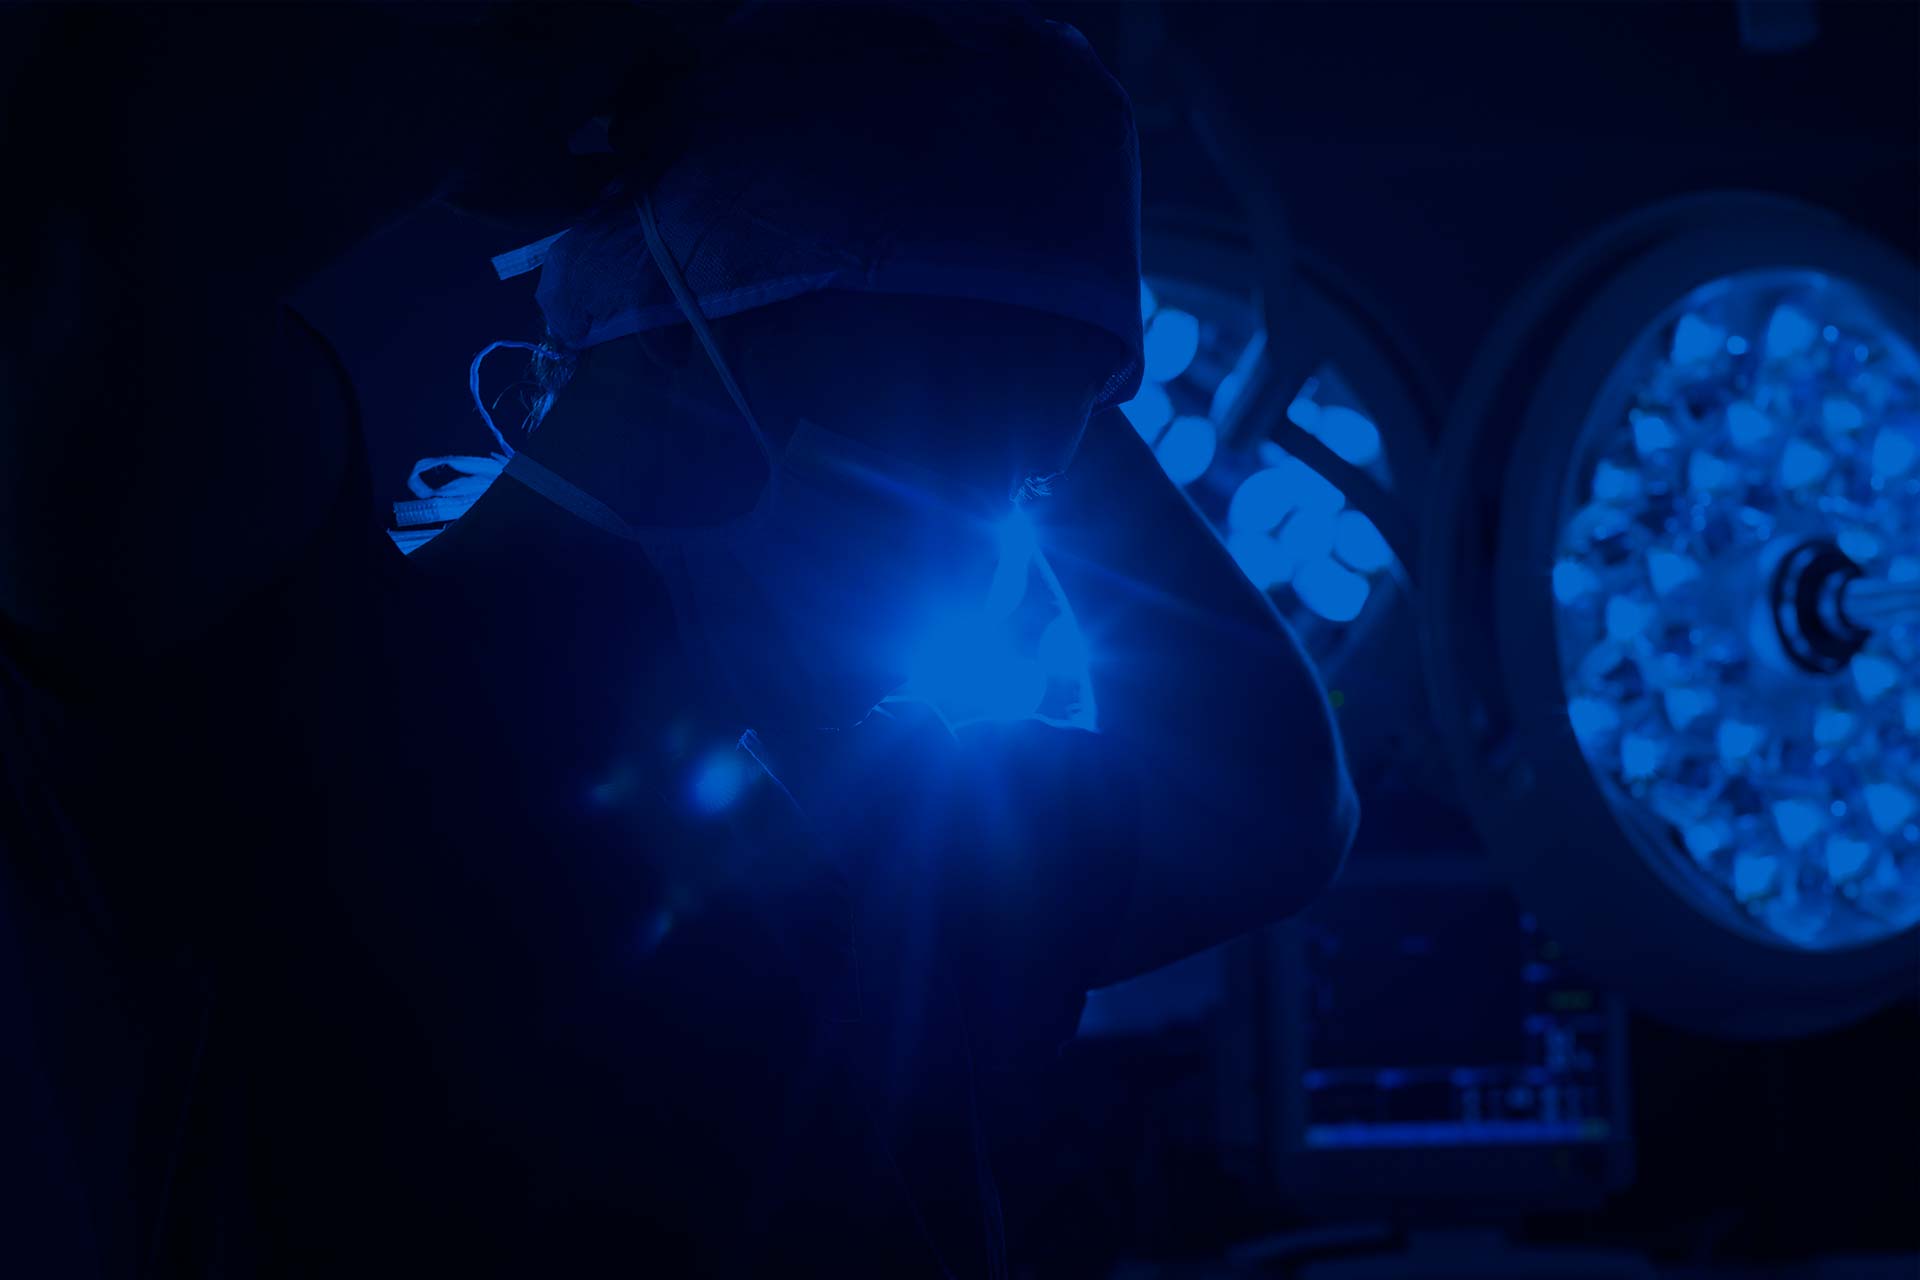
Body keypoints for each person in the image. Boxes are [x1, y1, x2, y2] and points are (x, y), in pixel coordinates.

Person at [1, 4, 1357, 1275]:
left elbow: (1271, 806)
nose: (989, 540)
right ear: (678, 345)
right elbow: (87, 254)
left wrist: (1038, 299)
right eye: (946, 442)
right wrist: (476, 80)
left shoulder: (886, 810)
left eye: (1027, 485)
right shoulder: (315, 674)